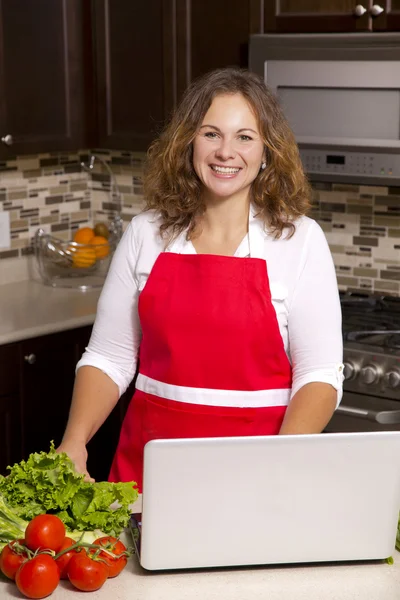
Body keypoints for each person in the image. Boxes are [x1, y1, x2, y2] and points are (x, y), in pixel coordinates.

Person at [57, 68, 344, 490]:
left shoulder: (300, 240)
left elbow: (319, 375)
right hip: (149, 476)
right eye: (212, 134)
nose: (226, 151)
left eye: (244, 137)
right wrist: (74, 441)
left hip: (261, 475)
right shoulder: (146, 234)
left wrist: (281, 465)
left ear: (266, 151)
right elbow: (109, 358)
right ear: (189, 142)